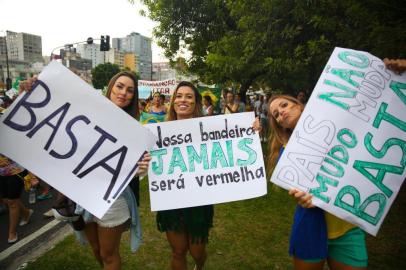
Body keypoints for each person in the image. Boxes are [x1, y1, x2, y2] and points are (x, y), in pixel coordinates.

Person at [19, 71, 151, 270]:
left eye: (130, 90)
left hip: (113, 200)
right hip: (82, 196)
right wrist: (31, 90)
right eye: (120, 86)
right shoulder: (85, 112)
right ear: (111, 88)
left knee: (108, 254)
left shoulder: (135, 129)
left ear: (134, 97)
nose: (123, 93)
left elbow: (132, 170)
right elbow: (51, 114)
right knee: (96, 249)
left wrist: (142, 168)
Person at [254, 95, 368, 270]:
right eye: (276, 114)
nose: (281, 113)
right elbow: (298, 186)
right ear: (280, 125)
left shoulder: (338, 130)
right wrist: (252, 134)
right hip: (309, 228)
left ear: (299, 106)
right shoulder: (286, 154)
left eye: (284, 105)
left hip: (347, 228)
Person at [157, 81, 214, 270]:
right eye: (179, 96)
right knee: (178, 251)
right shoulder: (159, 132)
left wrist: (252, 129)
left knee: (197, 252)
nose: (183, 100)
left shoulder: (210, 128)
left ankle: (200, 265)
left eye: (189, 96)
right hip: (172, 200)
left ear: (195, 102)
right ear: (173, 102)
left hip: (199, 200)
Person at [0, 155, 35, 244]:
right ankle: (26, 213)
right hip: (1, 173)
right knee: (6, 200)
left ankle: (12, 232)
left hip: (16, 171)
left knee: (12, 202)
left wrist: (32, 176)